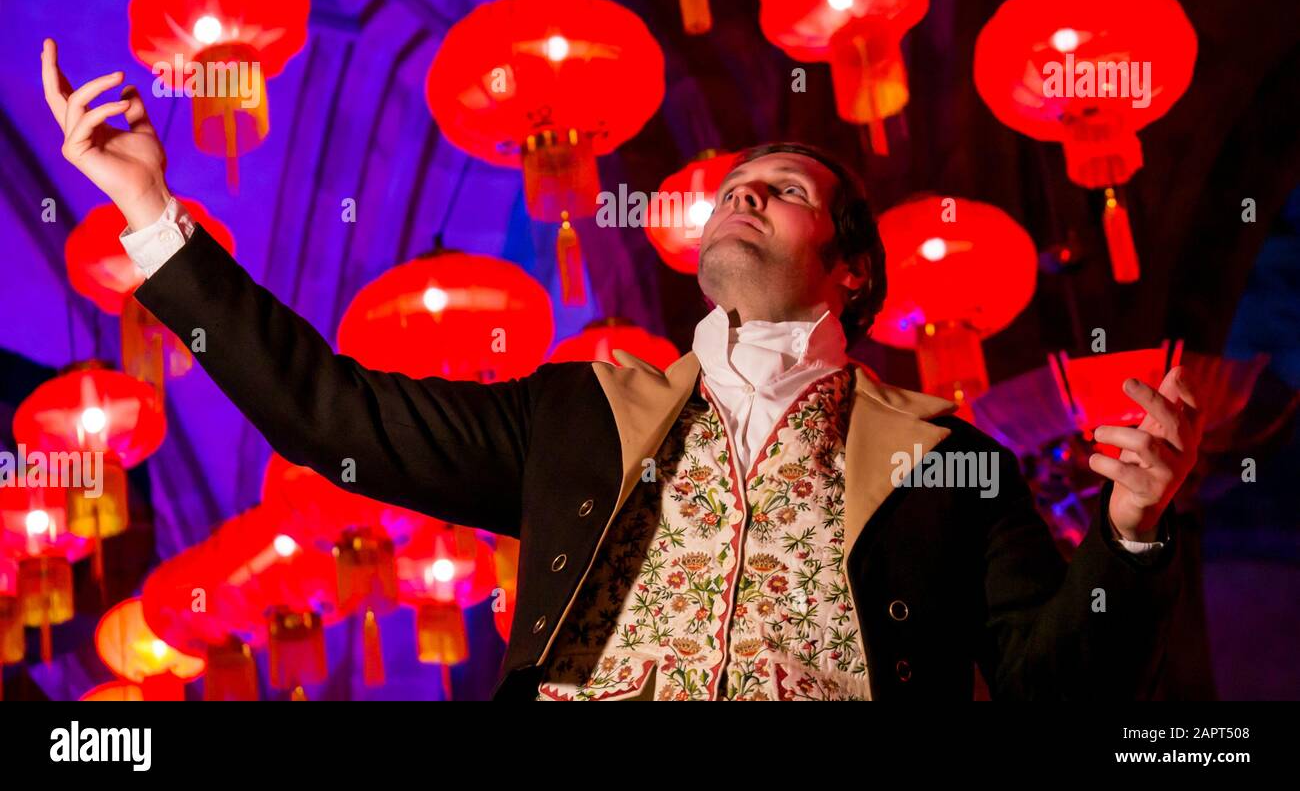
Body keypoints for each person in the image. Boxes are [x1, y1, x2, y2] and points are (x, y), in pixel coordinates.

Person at [40, 37, 1200, 701]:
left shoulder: (949, 464)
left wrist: (1133, 533)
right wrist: (148, 208)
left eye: (783, 188)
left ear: (849, 269)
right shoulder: (579, 415)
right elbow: (326, 413)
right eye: (735, 184)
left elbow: (1061, 694)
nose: (743, 191)